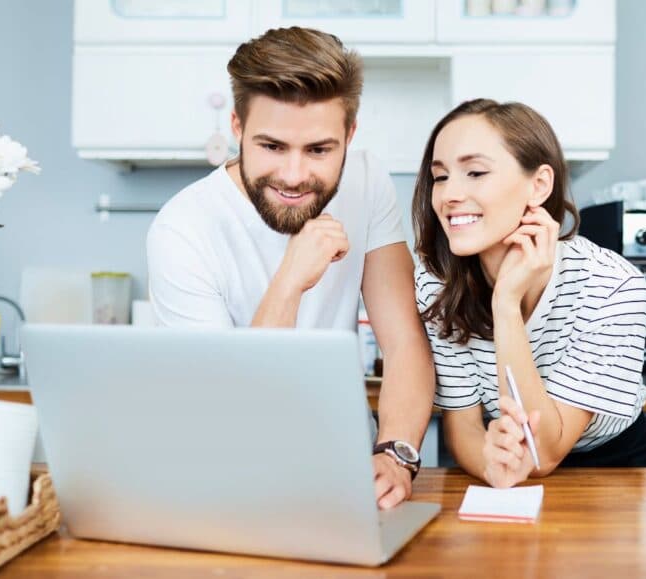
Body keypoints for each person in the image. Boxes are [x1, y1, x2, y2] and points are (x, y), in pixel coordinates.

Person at [146, 27, 435, 508]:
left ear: (350, 134)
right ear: (237, 128)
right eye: (272, 146)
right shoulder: (183, 228)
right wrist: (290, 280)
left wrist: (395, 455)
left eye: (319, 150)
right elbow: (232, 416)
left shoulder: (366, 180)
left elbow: (405, 341)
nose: (295, 176)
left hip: (345, 469)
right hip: (227, 479)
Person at [412, 99, 646, 488]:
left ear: (539, 185)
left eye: (475, 172)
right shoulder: (437, 284)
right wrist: (490, 465)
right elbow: (463, 424)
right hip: (504, 460)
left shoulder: (612, 285)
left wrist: (506, 305)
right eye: (441, 176)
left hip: (618, 469)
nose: (449, 194)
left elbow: (544, 452)